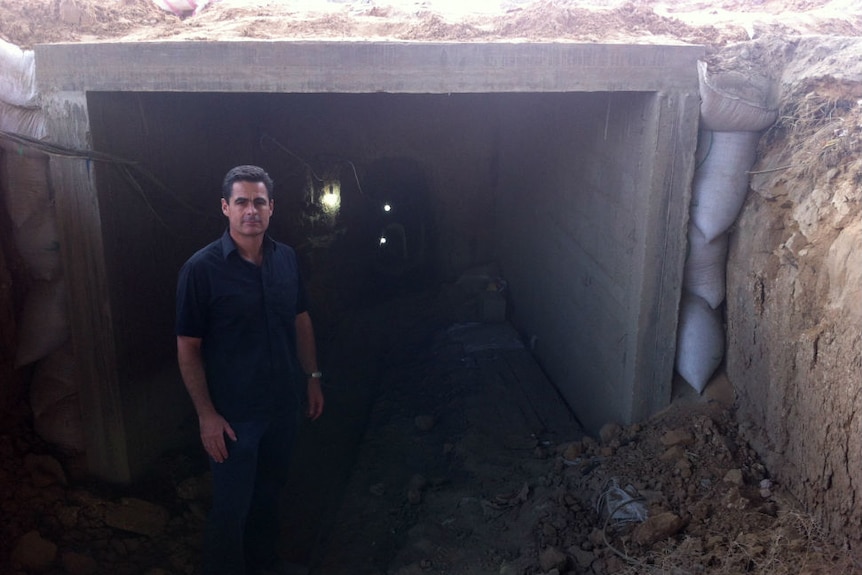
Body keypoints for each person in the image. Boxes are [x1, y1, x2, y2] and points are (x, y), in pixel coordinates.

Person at [175, 165, 324, 575]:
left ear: (271, 208)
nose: (251, 210)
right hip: (234, 417)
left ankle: (267, 565)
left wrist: (312, 377)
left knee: (269, 495)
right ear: (226, 208)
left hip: (282, 406)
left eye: (259, 201)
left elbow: (301, 319)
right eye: (241, 202)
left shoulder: (287, 260)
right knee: (231, 509)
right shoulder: (201, 270)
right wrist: (207, 415)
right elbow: (188, 346)